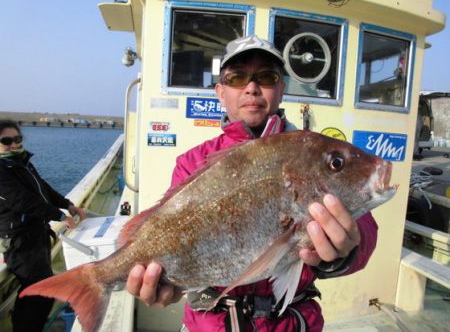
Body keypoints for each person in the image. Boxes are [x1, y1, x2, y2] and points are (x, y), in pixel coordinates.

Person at [126, 35, 378, 332]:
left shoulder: (311, 153)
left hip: (293, 322)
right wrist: (169, 286)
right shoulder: (192, 162)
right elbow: (169, 234)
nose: (251, 87)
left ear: (281, 89)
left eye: (267, 76)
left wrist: (343, 252)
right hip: (212, 324)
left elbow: (365, 231)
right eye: (237, 78)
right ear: (220, 92)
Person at [0, 120, 86, 332]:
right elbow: (21, 200)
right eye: (6, 141)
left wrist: (67, 205)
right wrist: (58, 215)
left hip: (36, 235)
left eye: (17, 139)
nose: (13, 144)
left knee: (42, 289)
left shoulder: (21, 162)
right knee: (38, 291)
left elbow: (43, 188)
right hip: (19, 241)